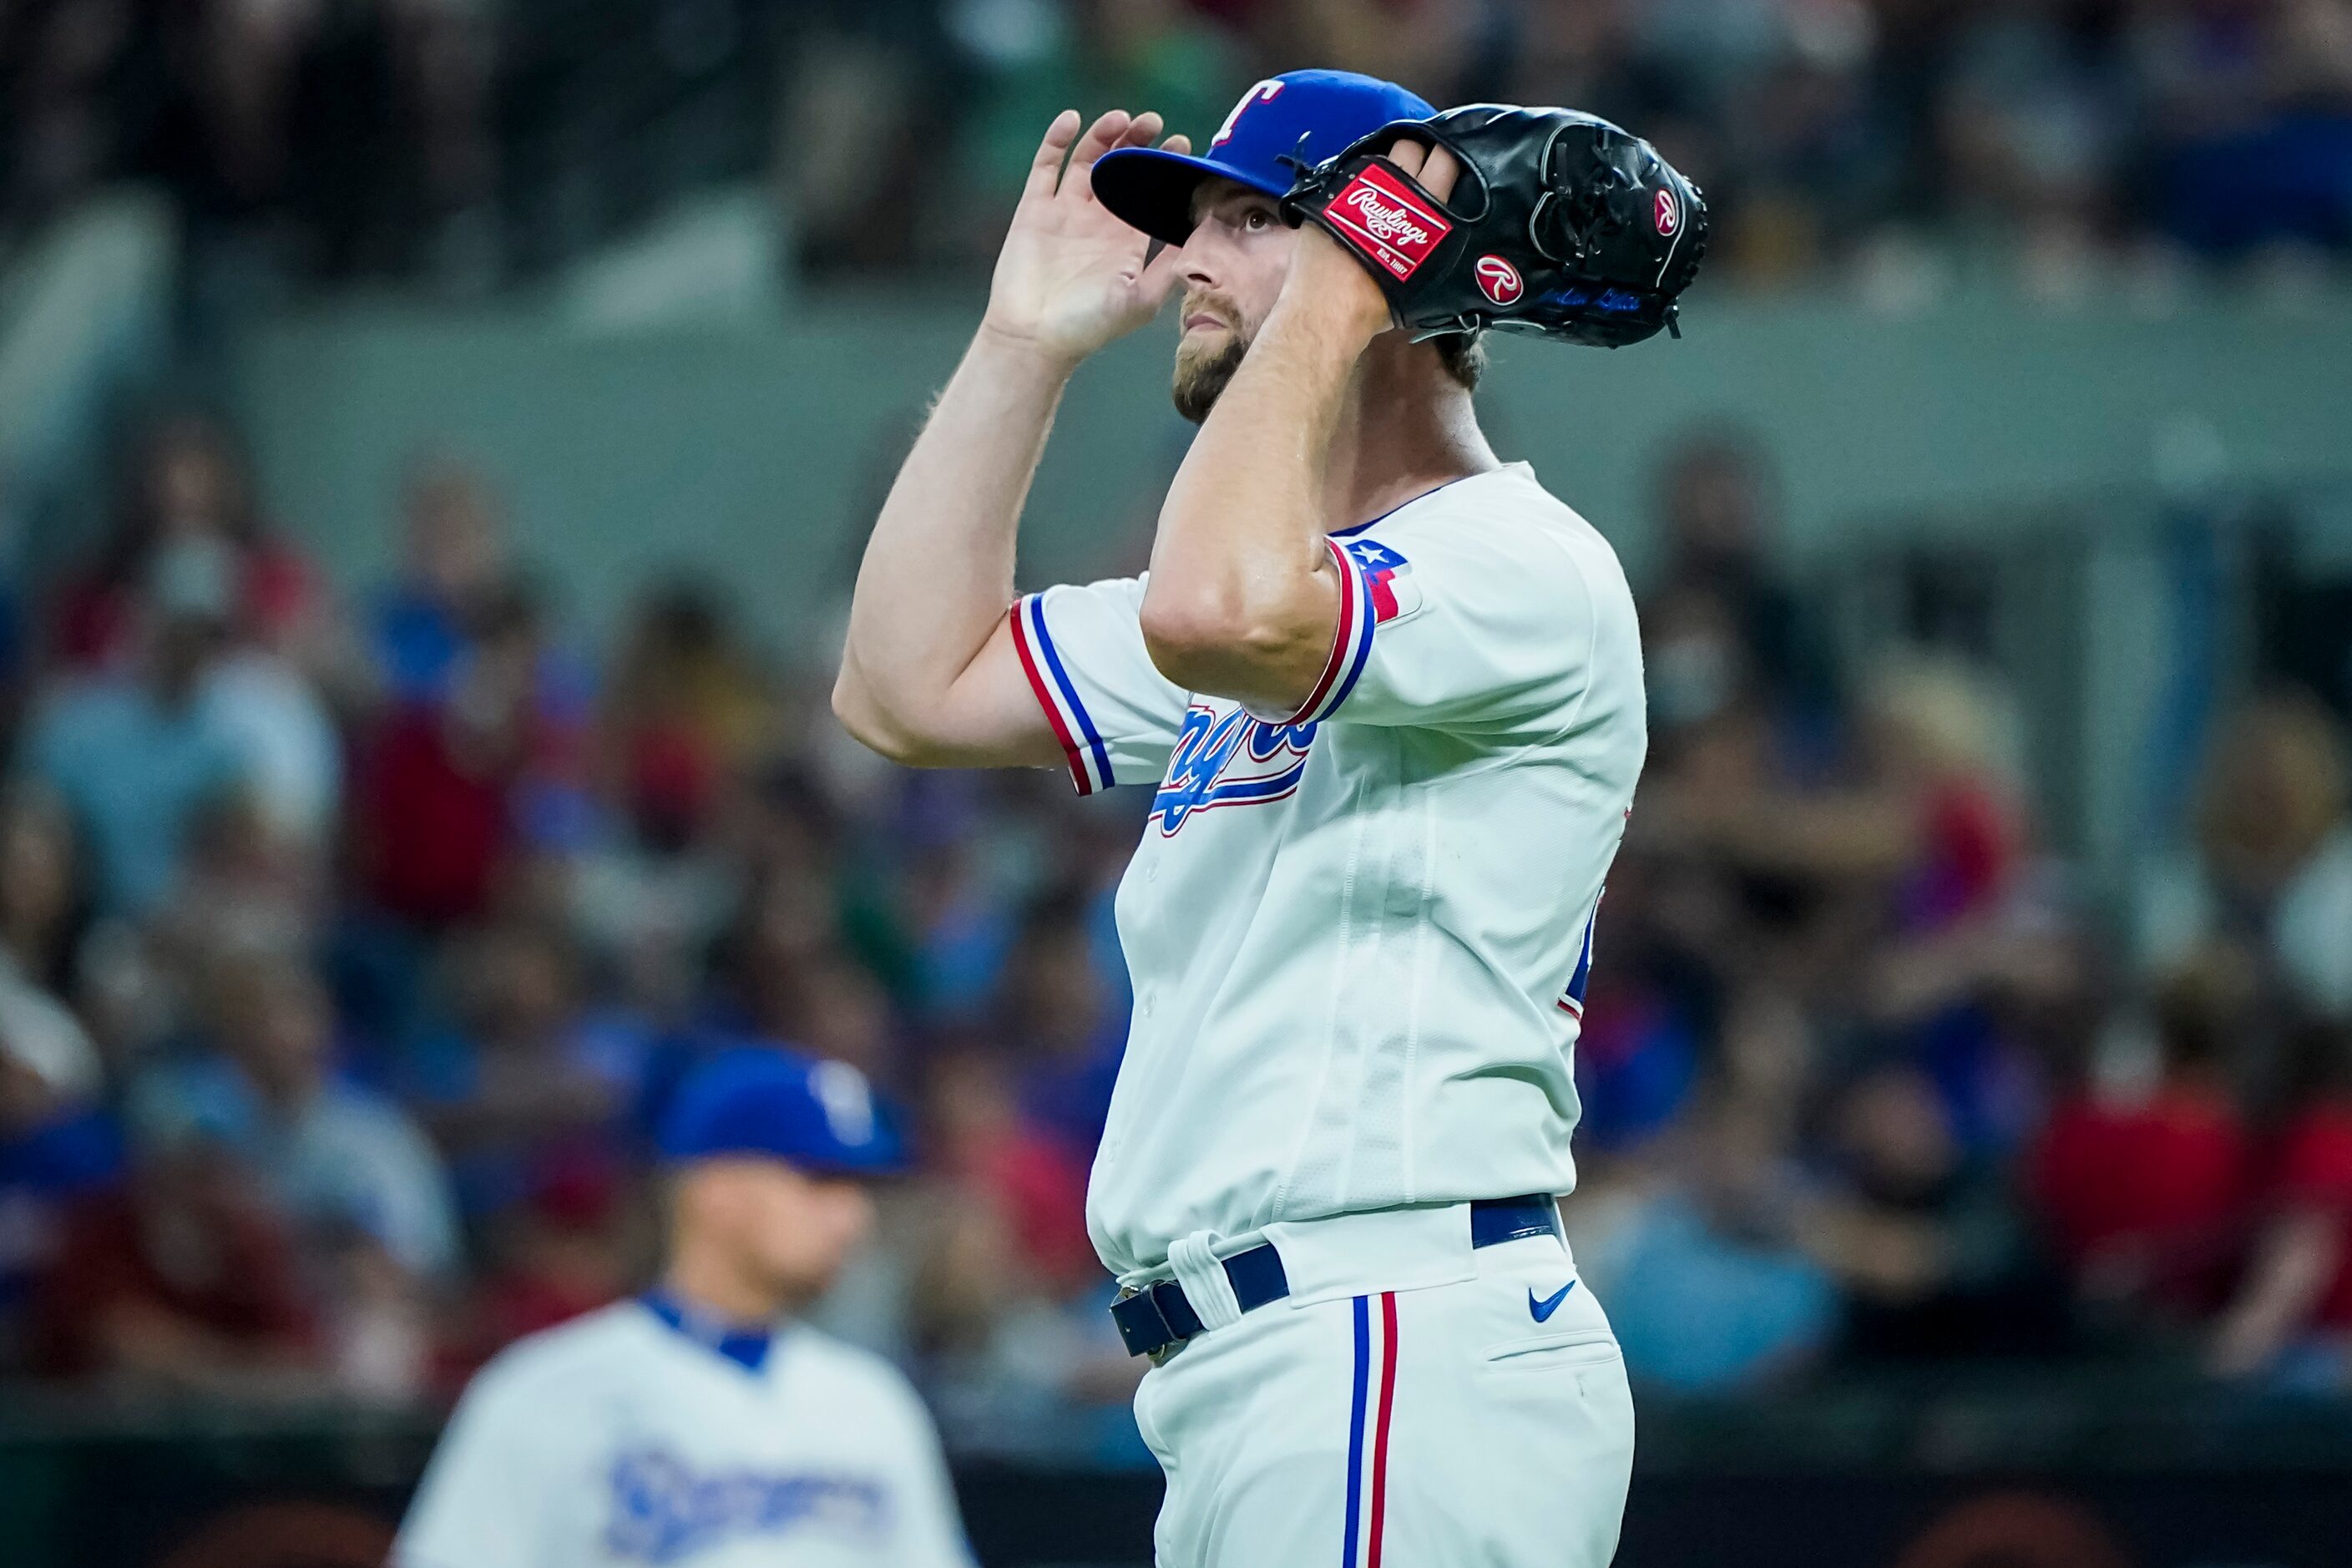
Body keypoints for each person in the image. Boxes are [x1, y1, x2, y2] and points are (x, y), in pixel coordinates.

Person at [834, 71, 1644, 1568]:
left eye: (1253, 216)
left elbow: (1214, 609)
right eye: (1191, 217)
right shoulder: (1279, 596)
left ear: (1394, 253)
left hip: (1389, 1329)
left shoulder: (1521, 564)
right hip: (1270, 1369)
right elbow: (906, 683)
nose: (1189, 258)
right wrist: (1022, 347)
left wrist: (1341, 302)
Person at [395, 1048, 972, 1568]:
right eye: (818, 1182)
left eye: (857, 1190)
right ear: (713, 1190)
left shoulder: (874, 1403)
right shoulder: (544, 1393)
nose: (853, 1219)